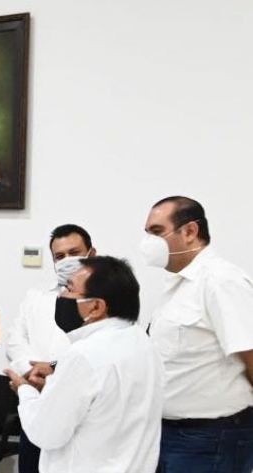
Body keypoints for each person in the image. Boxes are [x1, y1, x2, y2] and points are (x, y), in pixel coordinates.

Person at [5, 256, 163, 472]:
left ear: (96, 307)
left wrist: (25, 391)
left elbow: (45, 433)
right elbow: (106, 404)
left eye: (70, 289)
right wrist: (55, 387)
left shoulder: (85, 354)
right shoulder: (142, 342)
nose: (62, 295)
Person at [140, 196, 253, 473]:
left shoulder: (221, 281)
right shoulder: (178, 285)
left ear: (190, 231)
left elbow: (250, 354)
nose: (148, 243)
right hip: (171, 434)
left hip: (212, 437)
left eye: (157, 232)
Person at [5, 223, 96, 473]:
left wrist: (55, 374)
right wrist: (31, 373)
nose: (67, 261)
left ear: (92, 254)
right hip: (37, 399)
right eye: (59, 256)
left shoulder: (104, 302)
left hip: (80, 409)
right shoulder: (37, 297)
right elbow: (15, 339)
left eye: (74, 253)